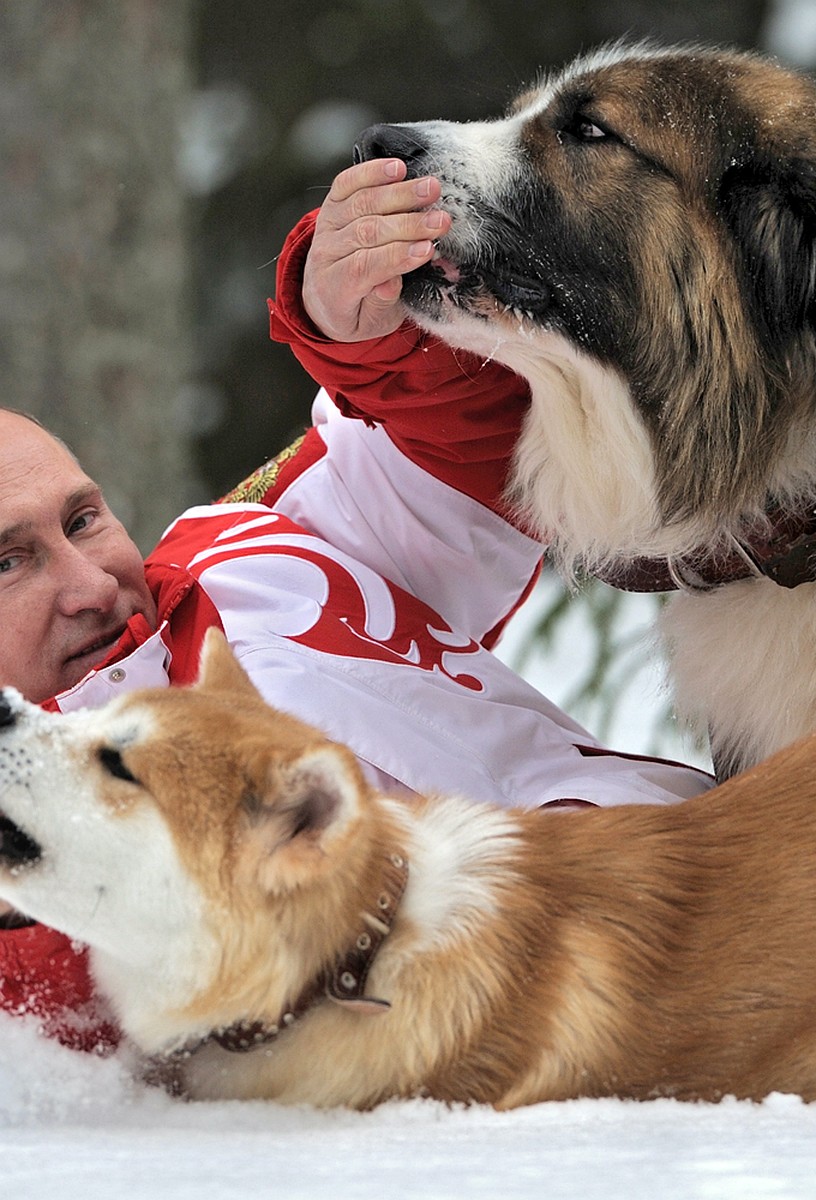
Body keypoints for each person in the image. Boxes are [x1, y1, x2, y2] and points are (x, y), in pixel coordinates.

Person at [0, 157, 712, 1050]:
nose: (93, 585)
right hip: (520, 1083)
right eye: (8, 563)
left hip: (714, 883)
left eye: (83, 518)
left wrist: (360, 323)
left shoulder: (241, 552)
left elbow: (484, 448)